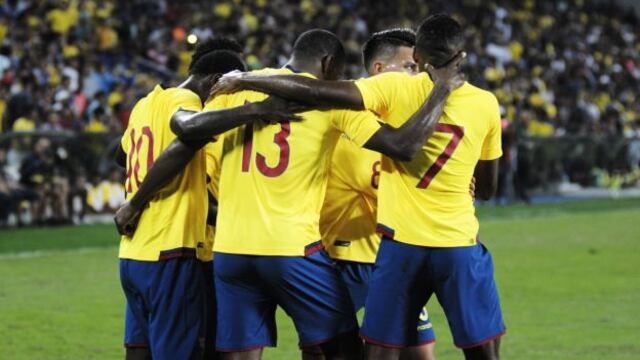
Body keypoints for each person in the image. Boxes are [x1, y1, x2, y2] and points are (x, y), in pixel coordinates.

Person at [116, 28, 463, 360]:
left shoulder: (234, 90)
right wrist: (441, 90)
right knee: (343, 344)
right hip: (291, 247)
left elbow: (186, 144)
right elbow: (402, 145)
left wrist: (134, 202)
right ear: (328, 65)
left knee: (237, 352)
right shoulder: (331, 101)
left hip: (230, 251)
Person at [211, 15, 505, 360]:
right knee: (467, 349)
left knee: (375, 349)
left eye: (414, 64)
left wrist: (243, 79)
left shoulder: (392, 92)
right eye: (404, 65)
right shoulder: (480, 103)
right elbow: (481, 185)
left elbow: (318, 92)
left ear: (423, 59)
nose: (410, 71)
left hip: (390, 247)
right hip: (416, 246)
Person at [113, 37, 299, 360]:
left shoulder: (145, 104)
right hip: (172, 249)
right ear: (216, 82)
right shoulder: (186, 101)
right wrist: (255, 110)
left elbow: (121, 154)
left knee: (139, 351)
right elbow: (187, 131)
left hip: (133, 255)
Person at [308, 28, 436, 360]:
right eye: (410, 66)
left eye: (420, 67)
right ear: (379, 70)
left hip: (388, 256)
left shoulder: (404, 119)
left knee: (420, 351)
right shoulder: (352, 119)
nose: (417, 75)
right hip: (343, 257)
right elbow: (378, 185)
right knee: (328, 352)